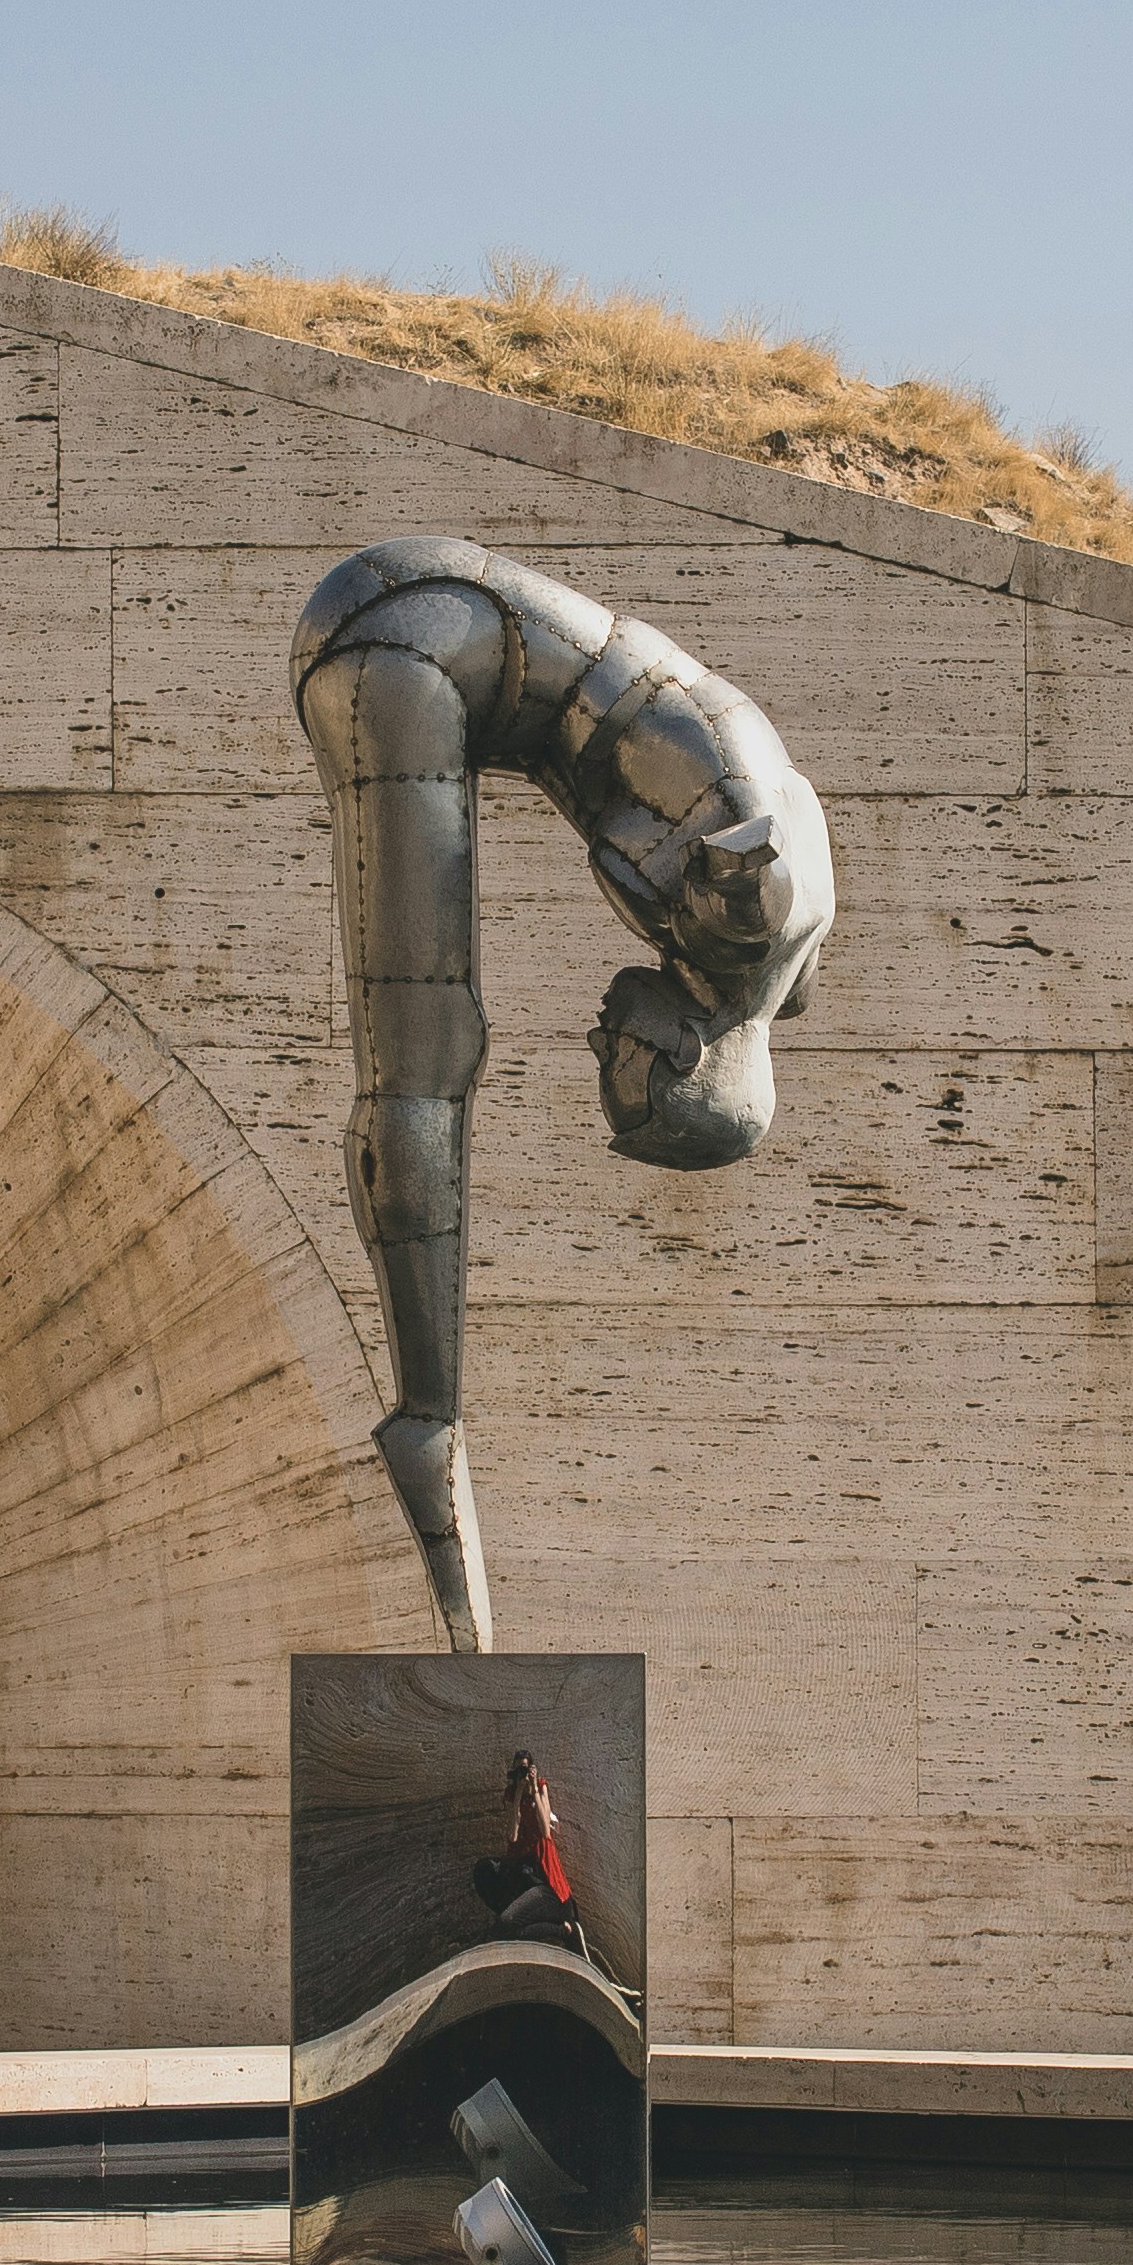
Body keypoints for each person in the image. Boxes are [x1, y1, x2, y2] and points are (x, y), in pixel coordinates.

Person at [291, 537, 837, 1649]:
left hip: (433, 624)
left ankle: (432, 1425)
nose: (603, 1041)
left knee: (432, 1055)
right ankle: (428, 1416)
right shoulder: (752, 918)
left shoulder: (783, 965)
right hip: (421, 645)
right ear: (685, 1060)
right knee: (424, 1062)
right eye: (624, 1074)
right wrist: (736, 875)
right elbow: (752, 842)